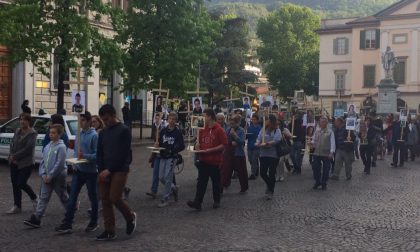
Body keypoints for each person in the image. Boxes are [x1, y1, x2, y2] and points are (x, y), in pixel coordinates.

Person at [96, 104, 136, 241]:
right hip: (104, 170)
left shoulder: (124, 130)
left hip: (119, 169)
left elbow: (123, 154)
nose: (105, 122)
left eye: (107, 119)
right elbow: (99, 153)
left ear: (114, 115)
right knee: (105, 199)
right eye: (103, 120)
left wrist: (109, 170)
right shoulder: (103, 133)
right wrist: (101, 169)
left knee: (114, 197)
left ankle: (130, 216)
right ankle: (109, 230)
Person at [55, 112, 99, 233]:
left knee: (93, 197)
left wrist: (85, 156)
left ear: (89, 121)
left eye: (83, 120)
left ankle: (94, 221)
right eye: (80, 120)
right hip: (79, 171)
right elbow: (76, 151)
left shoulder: (94, 135)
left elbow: (98, 155)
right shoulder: (78, 134)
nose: (81, 122)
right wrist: (74, 162)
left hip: (91, 172)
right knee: (72, 196)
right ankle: (68, 223)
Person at [23, 124, 69, 228]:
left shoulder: (61, 147)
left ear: (59, 134)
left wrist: (51, 175)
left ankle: (70, 214)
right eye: (50, 133)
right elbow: (43, 161)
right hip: (46, 177)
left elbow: (60, 164)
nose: (51, 135)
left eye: (53, 133)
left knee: (63, 197)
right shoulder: (48, 146)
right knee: (43, 197)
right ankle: (36, 218)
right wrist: (43, 174)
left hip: (58, 177)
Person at [187, 109, 227, 211]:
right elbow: (198, 142)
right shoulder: (202, 128)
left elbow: (224, 144)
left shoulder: (219, 129)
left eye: (204, 116)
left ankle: (216, 200)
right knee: (201, 182)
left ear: (209, 117)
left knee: (216, 182)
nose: (203, 118)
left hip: (215, 161)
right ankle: (198, 202)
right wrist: (196, 145)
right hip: (204, 160)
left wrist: (211, 149)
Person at [6, 113, 38, 214]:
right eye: (20, 119)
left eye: (24, 120)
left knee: (21, 183)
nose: (22, 121)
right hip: (14, 162)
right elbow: (12, 144)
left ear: (29, 121)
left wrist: (15, 156)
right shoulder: (17, 131)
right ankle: (17, 206)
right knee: (15, 184)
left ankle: (35, 198)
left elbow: (28, 149)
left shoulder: (32, 133)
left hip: (26, 163)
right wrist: (11, 156)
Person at [156, 112, 185, 207]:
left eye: (173, 119)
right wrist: (157, 145)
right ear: (167, 119)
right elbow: (159, 142)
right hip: (163, 156)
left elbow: (182, 146)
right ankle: (174, 187)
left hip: (172, 157)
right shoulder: (163, 131)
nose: (171, 121)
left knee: (168, 178)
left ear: (176, 121)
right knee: (161, 177)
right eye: (170, 119)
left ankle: (165, 198)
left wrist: (173, 149)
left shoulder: (178, 132)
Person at [255, 114, 281, 199]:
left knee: (272, 173)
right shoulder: (263, 129)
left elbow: (277, 139)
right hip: (263, 154)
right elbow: (259, 138)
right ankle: (269, 184)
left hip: (273, 155)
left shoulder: (277, 130)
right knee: (262, 172)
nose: (266, 121)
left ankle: (271, 190)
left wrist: (268, 143)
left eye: (268, 120)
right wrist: (258, 143)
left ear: (271, 121)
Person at [221, 114, 248, 193]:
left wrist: (235, 136)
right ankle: (223, 184)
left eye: (233, 123)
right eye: (230, 123)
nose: (231, 125)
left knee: (241, 171)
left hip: (238, 153)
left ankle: (244, 187)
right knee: (226, 170)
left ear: (238, 123)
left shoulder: (241, 130)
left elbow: (242, 142)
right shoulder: (228, 129)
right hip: (229, 153)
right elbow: (225, 140)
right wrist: (230, 142)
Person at [146, 113, 168, 199]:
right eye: (155, 118)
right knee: (156, 173)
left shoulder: (164, 126)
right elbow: (155, 143)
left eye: (157, 118)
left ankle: (173, 187)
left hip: (164, 153)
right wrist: (153, 154)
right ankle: (153, 191)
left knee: (164, 175)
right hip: (158, 153)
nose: (156, 119)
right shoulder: (155, 125)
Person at [310, 116, 335, 190]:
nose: (321, 123)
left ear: (326, 123)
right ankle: (317, 181)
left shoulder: (330, 132)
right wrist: (311, 143)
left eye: (323, 122)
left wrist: (331, 152)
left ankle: (324, 183)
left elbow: (332, 143)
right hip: (317, 152)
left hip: (326, 153)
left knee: (326, 169)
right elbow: (314, 140)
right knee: (315, 167)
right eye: (320, 122)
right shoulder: (317, 131)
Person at [247, 114, 261, 180]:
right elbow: (247, 136)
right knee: (250, 159)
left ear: (257, 120)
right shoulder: (249, 127)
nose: (253, 121)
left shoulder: (260, 128)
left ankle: (253, 174)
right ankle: (256, 168)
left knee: (254, 159)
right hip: (250, 146)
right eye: (252, 119)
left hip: (257, 146)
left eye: (255, 119)